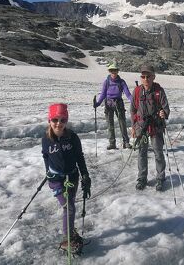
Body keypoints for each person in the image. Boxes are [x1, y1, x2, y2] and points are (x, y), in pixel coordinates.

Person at [42, 103, 91, 253]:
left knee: (70, 207)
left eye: (62, 120)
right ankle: (67, 239)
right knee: (69, 207)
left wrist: (85, 175)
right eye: (55, 119)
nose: (59, 123)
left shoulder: (73, 137)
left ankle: (70, 231)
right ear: (49, 120)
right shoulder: (46, 139)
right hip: (56, 180)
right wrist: (47, 172)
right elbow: (45, 156)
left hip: (73, 178)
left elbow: (79, 157)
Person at [131, 64, 170, 191]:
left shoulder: (159, 91)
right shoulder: (136, 91)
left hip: (156, 127)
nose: (145, 79)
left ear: (153, 77)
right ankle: (142, 178)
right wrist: (133, 127)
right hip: (141, 128)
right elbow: (133, 110)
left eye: (148, 76)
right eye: (143, 76)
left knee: (158, 153)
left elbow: (166, 108)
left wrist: (164, 113)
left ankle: (160, 178)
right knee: (142, 153)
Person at [94, 63, 132, 150]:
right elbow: (103, 94)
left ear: (117, 71)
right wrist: (98, 103)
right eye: (112, 70)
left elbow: (127, 93)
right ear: (110, 71)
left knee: (122, 123)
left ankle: (126, 142)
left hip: (119, 103)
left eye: (115, 70)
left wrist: (133, 101)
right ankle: (112, 143)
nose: (113, 72)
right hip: (108, 104)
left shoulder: (121, 82)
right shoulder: (106, 82)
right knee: (110, 124)